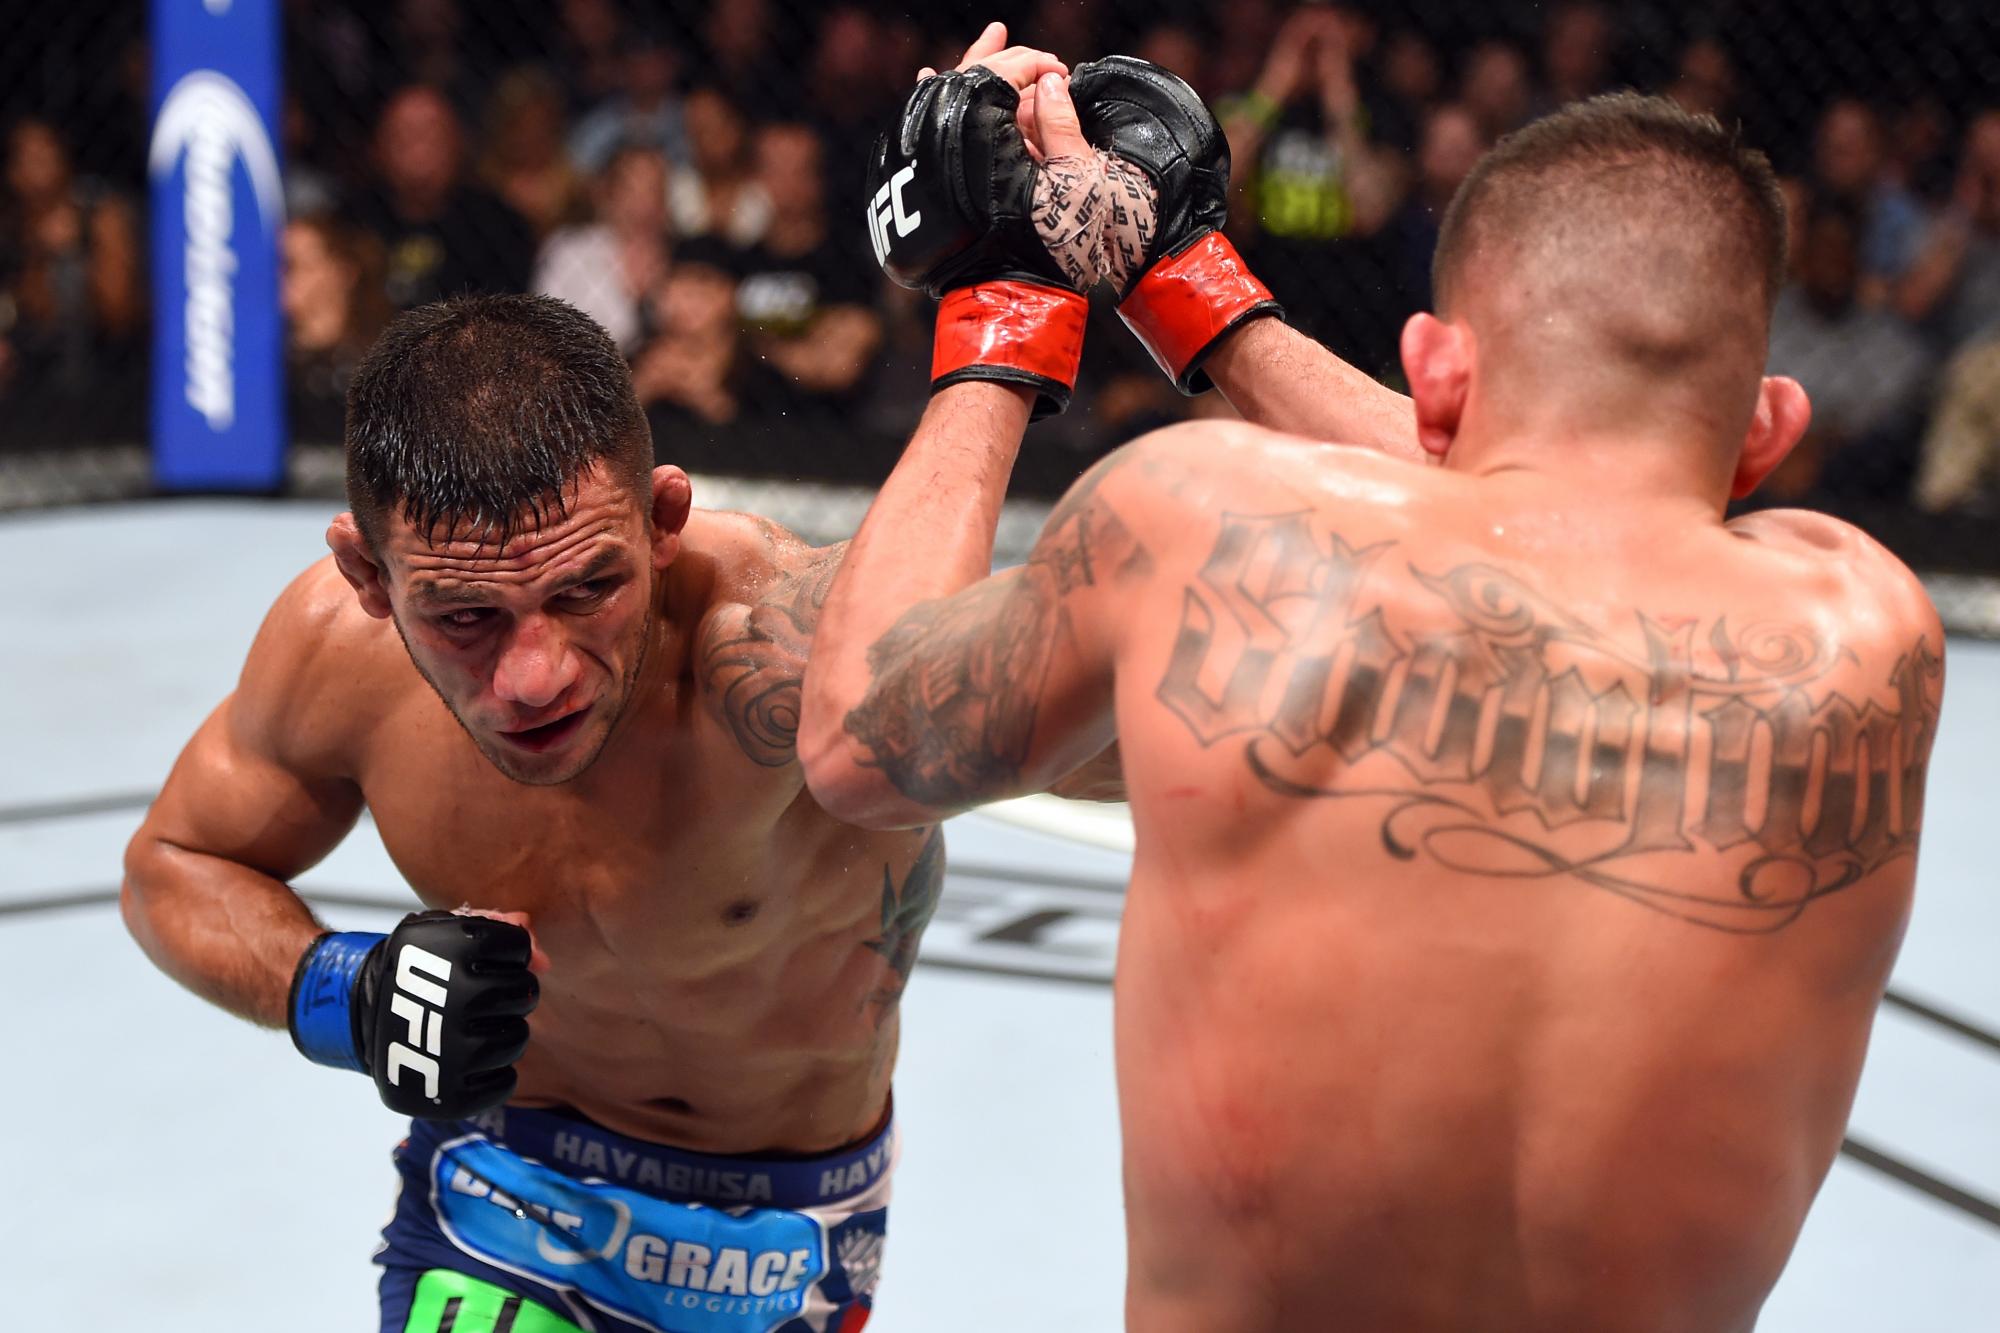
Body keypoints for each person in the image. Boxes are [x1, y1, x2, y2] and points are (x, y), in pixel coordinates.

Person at [801, 61, 1945, 1332]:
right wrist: (1179, 282)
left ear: (1431, 373)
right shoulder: (1866, 633)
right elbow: (1555, 500)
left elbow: (856, 734)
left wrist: (1006, 294)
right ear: (1768, 431)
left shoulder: (1199, 521)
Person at [121, 34, 1081, 1333]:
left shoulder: (786, 642)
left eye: (586, 590)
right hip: (499, 1188)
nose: (534, 677)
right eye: (465, 616)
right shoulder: (333, 652)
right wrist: (340, 989)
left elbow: (1142, 724)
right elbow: (174, 865)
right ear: (366, 577)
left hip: (783, 1232)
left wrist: (1040, 294)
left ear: (664, 520)